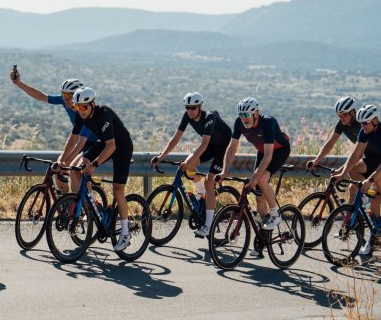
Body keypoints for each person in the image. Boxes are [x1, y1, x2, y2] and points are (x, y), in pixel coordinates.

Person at [59, 87, 135, 251]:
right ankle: (93, 206)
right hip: (104, 144)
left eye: (84, 107)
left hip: (121, 147)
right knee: (76, 170)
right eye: (78, 107)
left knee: (117, 191)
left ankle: (125, 233)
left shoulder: (104, 114)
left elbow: (111, 146)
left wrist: (94, 164)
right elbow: (73, 140)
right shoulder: (81, 115)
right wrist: (63, 161)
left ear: (93, 104)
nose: (81, 111)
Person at [151, 92, 232, 237]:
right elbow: (175, 139)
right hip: (210, 146)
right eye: (187, 107)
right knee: (188, 167)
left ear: (200, 106)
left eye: (193, 108)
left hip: (222, 147)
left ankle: (208, 225)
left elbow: (204, 143)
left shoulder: (209, 118)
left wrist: (188, 161)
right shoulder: (187, 116)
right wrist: (161, 157)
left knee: (209, 181)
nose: (190, 111)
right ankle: (202, 194)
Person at [9, 68, 98, 191]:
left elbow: (80, 143)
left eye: (68, 95)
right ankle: (67, 203)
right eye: (63, 94)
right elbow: (41, 96)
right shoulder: (65, 101)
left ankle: (84, 205)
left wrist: (65, 161)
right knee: (58, 171)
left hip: (94, 144)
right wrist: (18, 83)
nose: (65, 98)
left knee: (74, 171)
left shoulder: (85, 111)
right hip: (81, 142)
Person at [217, 97, 291, 230]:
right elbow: (232, 148)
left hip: (279, 151)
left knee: (261, 179)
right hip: (263, 151)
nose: (243, 119)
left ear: (256, 113)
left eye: (246, 115)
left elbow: (269, 155)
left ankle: (275, 214)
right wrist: (224, 171)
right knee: (259, 197)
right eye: (240, 115)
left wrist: (255, 176)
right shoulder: (239, 123)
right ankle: (263, 236)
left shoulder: (268, 122)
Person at [333, 104, 381, 256]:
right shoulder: (364, 131)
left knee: (376, 189)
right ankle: (375, 234)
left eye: (365, 123)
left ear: (375, 120)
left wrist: (371, 179)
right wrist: (342, 174)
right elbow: (355, 154)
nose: (362, 126)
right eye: (360, 123)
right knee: (373, 197)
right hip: (373, 161)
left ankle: (375, 233)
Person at [307, 96, 362, 203]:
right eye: (339, 115)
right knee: (353, 189)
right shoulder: (342, 124)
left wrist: (340, 171)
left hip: (376, 158)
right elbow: (330, 143)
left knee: (365, 188)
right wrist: (316, 160)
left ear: (352, 113)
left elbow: (358, 155)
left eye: (344, 114)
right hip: (368, 157)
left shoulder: (361, 125)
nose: (341, 118)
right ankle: (351, 219)